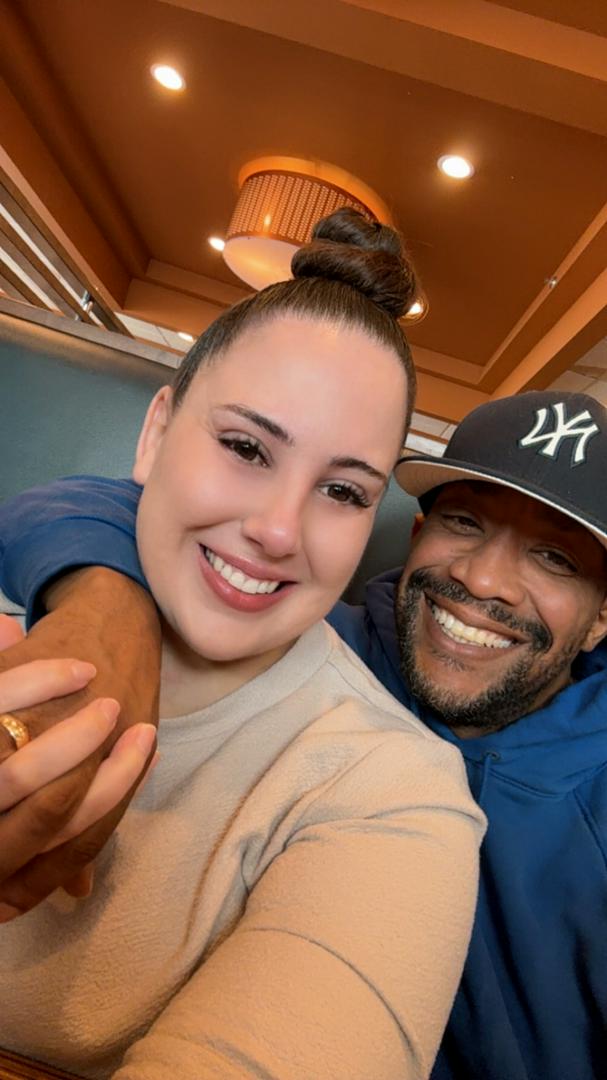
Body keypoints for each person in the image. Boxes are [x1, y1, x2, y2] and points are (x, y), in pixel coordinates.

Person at [0, 209, 484, 1080]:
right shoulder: (35, 593)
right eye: (245, 447)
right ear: (155, 433)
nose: (277, 529)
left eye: (342, 491)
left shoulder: (395, 793)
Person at [2, 387, 606, 1080]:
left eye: (556, 559)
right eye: (465, 522)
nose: (483, 577)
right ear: (415, 536)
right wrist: (107, 610)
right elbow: (104, 507)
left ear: (600, 618)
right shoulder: (307, 642)